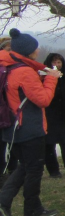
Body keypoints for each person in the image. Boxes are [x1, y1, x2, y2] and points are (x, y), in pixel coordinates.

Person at [0, 29, 60, 216]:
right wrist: (51, 78)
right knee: (34, 168)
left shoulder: (6, 66)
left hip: (11, 126)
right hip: (28, 127)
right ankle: (32, 209)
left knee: (24, 167)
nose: (38, 49)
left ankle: (3, 201)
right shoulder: (24, 71)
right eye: (35, 47)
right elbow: (43, 99)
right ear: (28, 51)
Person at [0, 36, 19, 177]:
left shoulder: (15, 67)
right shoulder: (4, 69)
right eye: (8, 48)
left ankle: (12, 169)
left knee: (12, 143)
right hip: (5, 112)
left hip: (11, 111)